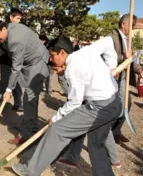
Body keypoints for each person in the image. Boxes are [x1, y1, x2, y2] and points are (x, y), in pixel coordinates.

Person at [11, 36, 122, 176]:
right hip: (115, 103)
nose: (51, 60)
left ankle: (29, 171)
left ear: (62, 52)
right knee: (96, 146)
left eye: (52, 55)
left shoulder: (73, 68)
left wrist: (57, 117)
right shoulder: (87, 50)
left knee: (57, 130)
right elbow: (108, 41)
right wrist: (111, 66)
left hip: (99, 107)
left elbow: (75, 102)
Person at [0, 21, 50, 145]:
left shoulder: (14, 40)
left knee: (29, 98)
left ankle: (26, 135)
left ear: (4, 29)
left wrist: (9, 90)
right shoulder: (10, 30)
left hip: (37, 63)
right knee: (31, 99)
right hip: (31, 63)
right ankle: (32, 128)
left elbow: (16, 67)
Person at [106, 13, 138, 144]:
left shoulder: (128, 39)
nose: (134, 28)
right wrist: (122, 57)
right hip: (114, 77)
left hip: (124, 77)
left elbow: (131, 59)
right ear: (124, 24)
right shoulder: (111, 38)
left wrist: (139, 69)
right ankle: (106, 131)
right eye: (133, 25)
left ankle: (115, 131)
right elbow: (106, 56)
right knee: (116, 105)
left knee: (127, 104)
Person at [0, 8, 24, 117]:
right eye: (17, 18)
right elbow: (6, 46)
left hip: (14, 60)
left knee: (16, 81)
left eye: (20, 19)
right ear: (11, 17)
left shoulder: (15, 31)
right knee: (4, 82)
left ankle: (19, 103)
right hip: (6, 59)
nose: (19, 21)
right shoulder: (3, 29)